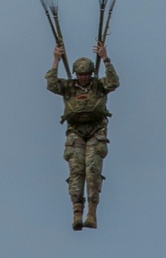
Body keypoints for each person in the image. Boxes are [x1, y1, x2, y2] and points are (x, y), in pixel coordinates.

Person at [46, 41, 119, 230]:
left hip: (96, 132)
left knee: (92, 170)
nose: (83, 78)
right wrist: (56, 59)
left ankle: (92, 213)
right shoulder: (69, 87)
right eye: (80, 74)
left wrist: (105, 58)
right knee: (76, 171)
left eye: (86, 74)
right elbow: (51, 85)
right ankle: (77, 211)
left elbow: (114, 82)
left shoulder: (98, 86)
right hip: (76, 133)